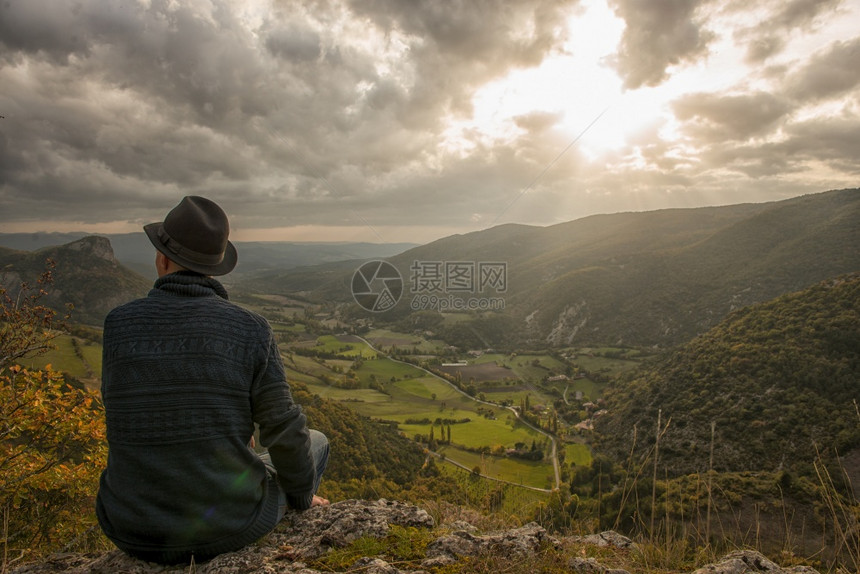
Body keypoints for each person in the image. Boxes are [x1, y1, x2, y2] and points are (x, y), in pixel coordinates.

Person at [96, 196, 329, 564]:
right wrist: (301, 499)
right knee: (317, 442)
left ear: (162, 258)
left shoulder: (118, 324)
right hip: (226, 526)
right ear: (217, 268)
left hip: (129, 526)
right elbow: (284, 429)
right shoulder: (249, 328)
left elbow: (122, 409)